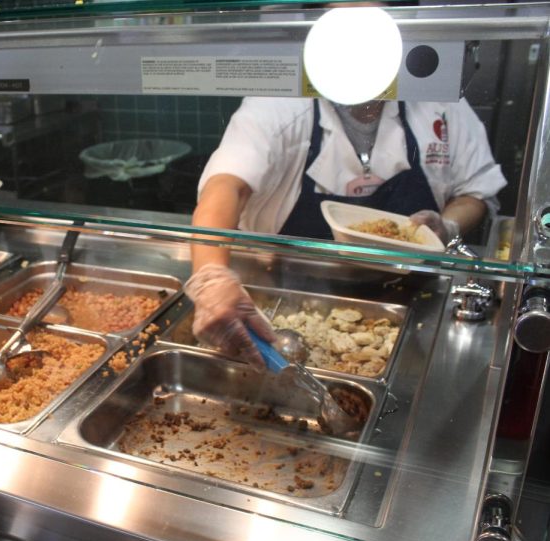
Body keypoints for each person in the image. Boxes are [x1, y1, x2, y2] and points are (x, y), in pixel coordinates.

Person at [185, 96, 507, 366]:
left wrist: (447, 224)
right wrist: (211, 276)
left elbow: (475, 192)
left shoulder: (439, 103)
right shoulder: (278, 102)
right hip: (282, 287)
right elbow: (226, 187)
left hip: (413, 291)